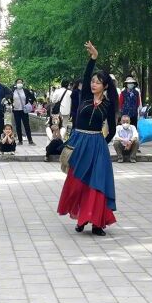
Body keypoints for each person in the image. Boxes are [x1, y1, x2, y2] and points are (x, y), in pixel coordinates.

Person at [57, 41, 119, 236]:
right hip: (79, 143)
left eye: (98, 82)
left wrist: (103, 143)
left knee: (97, 182)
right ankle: (81, 218)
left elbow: (113, 127)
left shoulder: (108, 104)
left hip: (97, 145)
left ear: (105, 86)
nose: (93, 84)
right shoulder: (84, 97)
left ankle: (97, 223)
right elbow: (86, 75)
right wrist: (93, 58)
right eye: (92, 81)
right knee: (78, 182)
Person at [11, 78, 36, 145]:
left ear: (22, 83)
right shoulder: (13, 91)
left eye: (21, 82)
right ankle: (20, 140)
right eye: (18, 82)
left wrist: (29, 103)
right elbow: (9, 98)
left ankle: (30, 140)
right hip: (16, 110)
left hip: (24, 110)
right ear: (16, 83)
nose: (20, 84)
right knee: (18, 126)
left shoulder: (25, 90)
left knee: (26, 125)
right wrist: (11, 103)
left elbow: (33, 98)